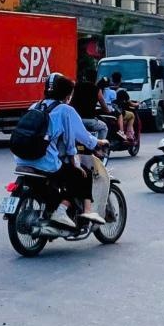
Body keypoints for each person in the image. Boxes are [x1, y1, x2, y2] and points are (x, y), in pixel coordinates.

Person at [15, 73, 108, 228]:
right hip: (45, 162)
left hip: (21, 160)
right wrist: (97, 143)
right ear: (67, 94)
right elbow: (76, 139)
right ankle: (62, 211)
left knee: (66, 174)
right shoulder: (65, 110)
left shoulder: (35, 106)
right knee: (82, 175)